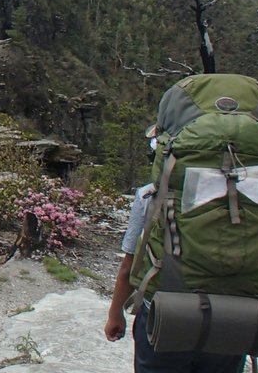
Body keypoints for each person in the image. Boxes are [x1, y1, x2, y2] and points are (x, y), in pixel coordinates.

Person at [105, 158, 245, 372]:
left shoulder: (150, 193)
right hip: (231, 316)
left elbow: (130, 265)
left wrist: (115, 313)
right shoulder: (246, 188)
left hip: (164, 315)